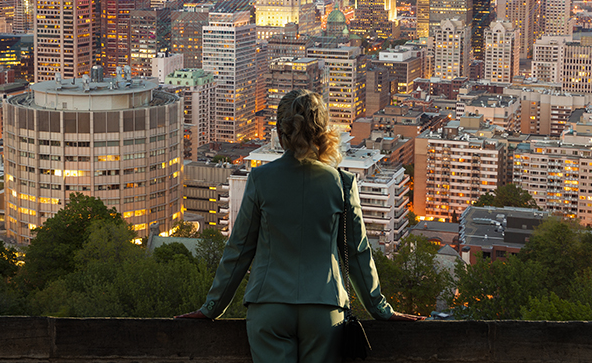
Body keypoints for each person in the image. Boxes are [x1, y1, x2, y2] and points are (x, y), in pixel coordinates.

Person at [176, 89, 422, 363]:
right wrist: (381, 309)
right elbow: (356, 253)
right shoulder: (341, 183)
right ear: (323, 133)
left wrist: (211, 307)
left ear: (281, 134)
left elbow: (239, 251)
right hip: (324, 309)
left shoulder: (260, 179)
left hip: (268, 307)